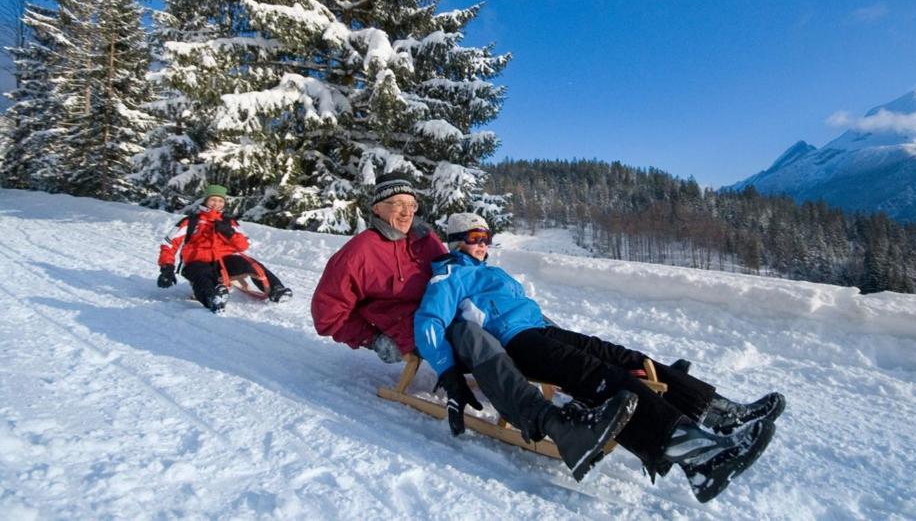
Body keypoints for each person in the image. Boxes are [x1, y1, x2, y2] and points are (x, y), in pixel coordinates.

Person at [414, 213, 784, 503]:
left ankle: (718, 413)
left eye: (487, 238)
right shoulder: (450, 274)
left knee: (626, 357)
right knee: (598, 376)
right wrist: (449, 373)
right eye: (475, 238)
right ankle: (699, 457)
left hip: (543, 330)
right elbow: (429, 322)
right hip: (516, 344)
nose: (482, 245)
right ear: (456, 242)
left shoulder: (492, 271)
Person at [311, 173, 639, 481]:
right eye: (397, 204)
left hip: (457, 311)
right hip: (422, 330)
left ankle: (602, 384)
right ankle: (552, 422)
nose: (406, 212)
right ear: (377, 208)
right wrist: (372, 339)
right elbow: (328, 315)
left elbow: (453, 274)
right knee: (479, 341)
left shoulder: (425, 241)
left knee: (526, 328)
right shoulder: (356, 254)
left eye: (411, 204)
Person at [157, 184, 292, 312]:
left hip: (224, 260)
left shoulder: (228, 222)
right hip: (197, 261)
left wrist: (229, 233)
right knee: (203, 275)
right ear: (205, 201)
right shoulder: (190, 221)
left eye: (220, 201)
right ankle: (212, 298)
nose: (217, 204)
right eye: (213, 200)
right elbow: (169, 244)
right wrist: (166, 267)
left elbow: (243, 245)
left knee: (251, 264)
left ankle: (276, 289)